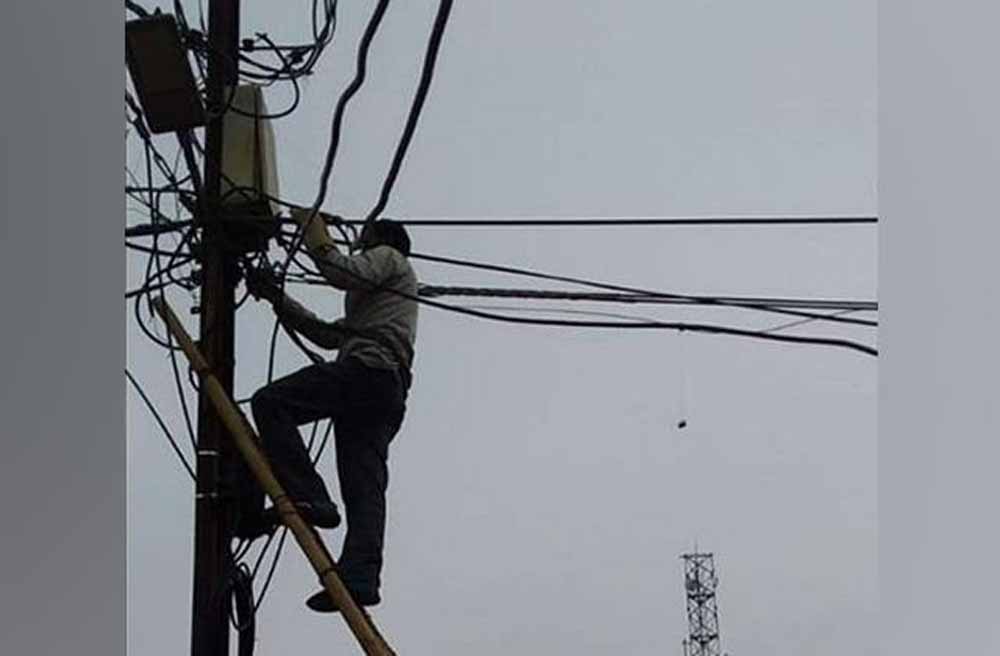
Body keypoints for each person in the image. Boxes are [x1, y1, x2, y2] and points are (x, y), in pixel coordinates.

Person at [236, 209, 418, 613]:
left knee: (271, 403)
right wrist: (276, 297)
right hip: (384, 387)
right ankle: (361, 576)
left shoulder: (390, 257)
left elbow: (339, 271)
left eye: (364, 238)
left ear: (380, 240)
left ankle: (309, 496)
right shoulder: (377, 308)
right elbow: (326, 333)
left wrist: (314, 232)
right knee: (364, 487)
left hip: (367, 372)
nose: (359, 243)